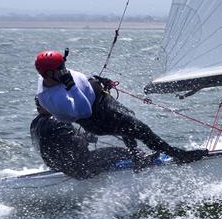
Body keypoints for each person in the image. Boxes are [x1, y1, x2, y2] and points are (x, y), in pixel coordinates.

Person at [33, 49, 208, 165]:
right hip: (95, 118)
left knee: (130, 116)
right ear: (49, 73)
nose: (65, 70)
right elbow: (84, 110)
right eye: (61, 68)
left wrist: (95, 81)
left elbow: (81, 82)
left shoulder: (57, 74)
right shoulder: (52, 97)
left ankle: (136, 156)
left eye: (64, 64)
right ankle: (178, 155)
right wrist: (70, 85)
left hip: (102, 101)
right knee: (140, 129)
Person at [31, 100, 158, 178]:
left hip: (57, 166)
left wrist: (82, 136)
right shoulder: (58, 120)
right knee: (120, 152)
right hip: (80, 168)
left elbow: (58, 144)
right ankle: (142, 161)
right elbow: (73, 146)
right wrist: (85, 138)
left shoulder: (36, 123)